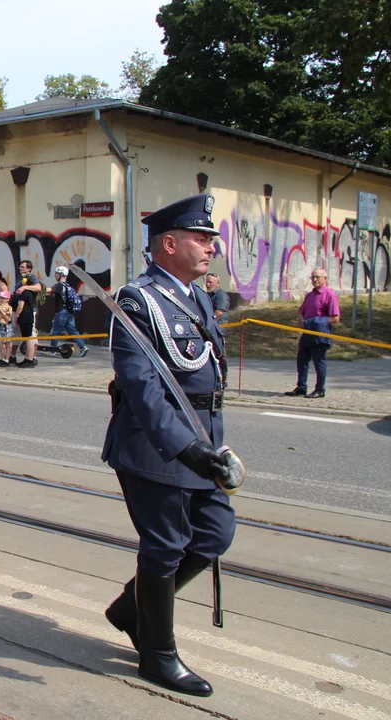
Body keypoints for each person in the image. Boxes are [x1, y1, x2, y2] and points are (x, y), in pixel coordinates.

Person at [102, 194, 236, 698]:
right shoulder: (138, 301)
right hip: (156, 447)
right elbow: (141, 388)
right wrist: (185, 448)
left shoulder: (197, 295)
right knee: (165, 547)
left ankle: (130, 609)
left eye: (210, 240)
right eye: (202, 239)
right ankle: (157, 653)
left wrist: (209, 446)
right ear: (169, 243)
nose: (210, 248)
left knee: (215, 532)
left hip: (202, 442)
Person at [285, 269, 339, 399]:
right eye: (313, 277)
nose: (315, 280)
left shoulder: (329, 295)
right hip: (307, 333)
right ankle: (301, 387)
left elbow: (335, 318)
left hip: (320, 335)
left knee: (319, 362)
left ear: (325, 278)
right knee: (302, 360)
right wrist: (303, 320)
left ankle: (320, 389)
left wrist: (318, 322)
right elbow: (301, 311)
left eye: (318, 277)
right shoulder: (310, 295)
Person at [47, 265, 88, 357]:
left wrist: (38, 290)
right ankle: (82, 347)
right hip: (69, 312)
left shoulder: (59, 285)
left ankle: (52, 350)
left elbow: (49, 290)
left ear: (61, 274)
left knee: (56, 331)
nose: (55, 275)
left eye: (56, 273)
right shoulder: (68, 285)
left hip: (61, 312)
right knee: (73, 330)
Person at [11, 260, 44, 367]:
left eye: (23, 267)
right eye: (20, 267)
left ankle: (31, 358)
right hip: (18, 310)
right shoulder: (20, 278)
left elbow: (38, 287)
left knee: (30, 335)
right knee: (16, 334)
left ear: (29, 268)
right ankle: (12, 356)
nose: (21, 268)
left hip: (27, 311)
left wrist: (24, 287)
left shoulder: (31, 277)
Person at [0, 290, 14, 366]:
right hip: (0, 325)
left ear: (8, 299)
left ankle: (7, 359)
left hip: (7, 326)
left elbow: (8, 318)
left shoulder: (9, 307)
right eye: (1, 297)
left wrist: (1, 311)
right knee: (0, 343)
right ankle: (3, 357)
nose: (2, 299)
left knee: (8, 343)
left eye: (4, 298)